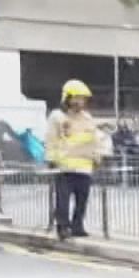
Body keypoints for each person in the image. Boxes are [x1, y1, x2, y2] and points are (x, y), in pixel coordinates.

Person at [44, 79, 105, 239]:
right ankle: (63, 227)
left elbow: (94, 139)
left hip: (84, 167)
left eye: (83, 98)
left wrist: (97, 157)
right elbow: (51, 138)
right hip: (65, 166)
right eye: (76, 98)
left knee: (82, 200)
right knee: (63, 199)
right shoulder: (58, 117)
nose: (80, 102)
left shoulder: (87, 117)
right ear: (67, 98)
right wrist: (51, 159)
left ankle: (78, 226)